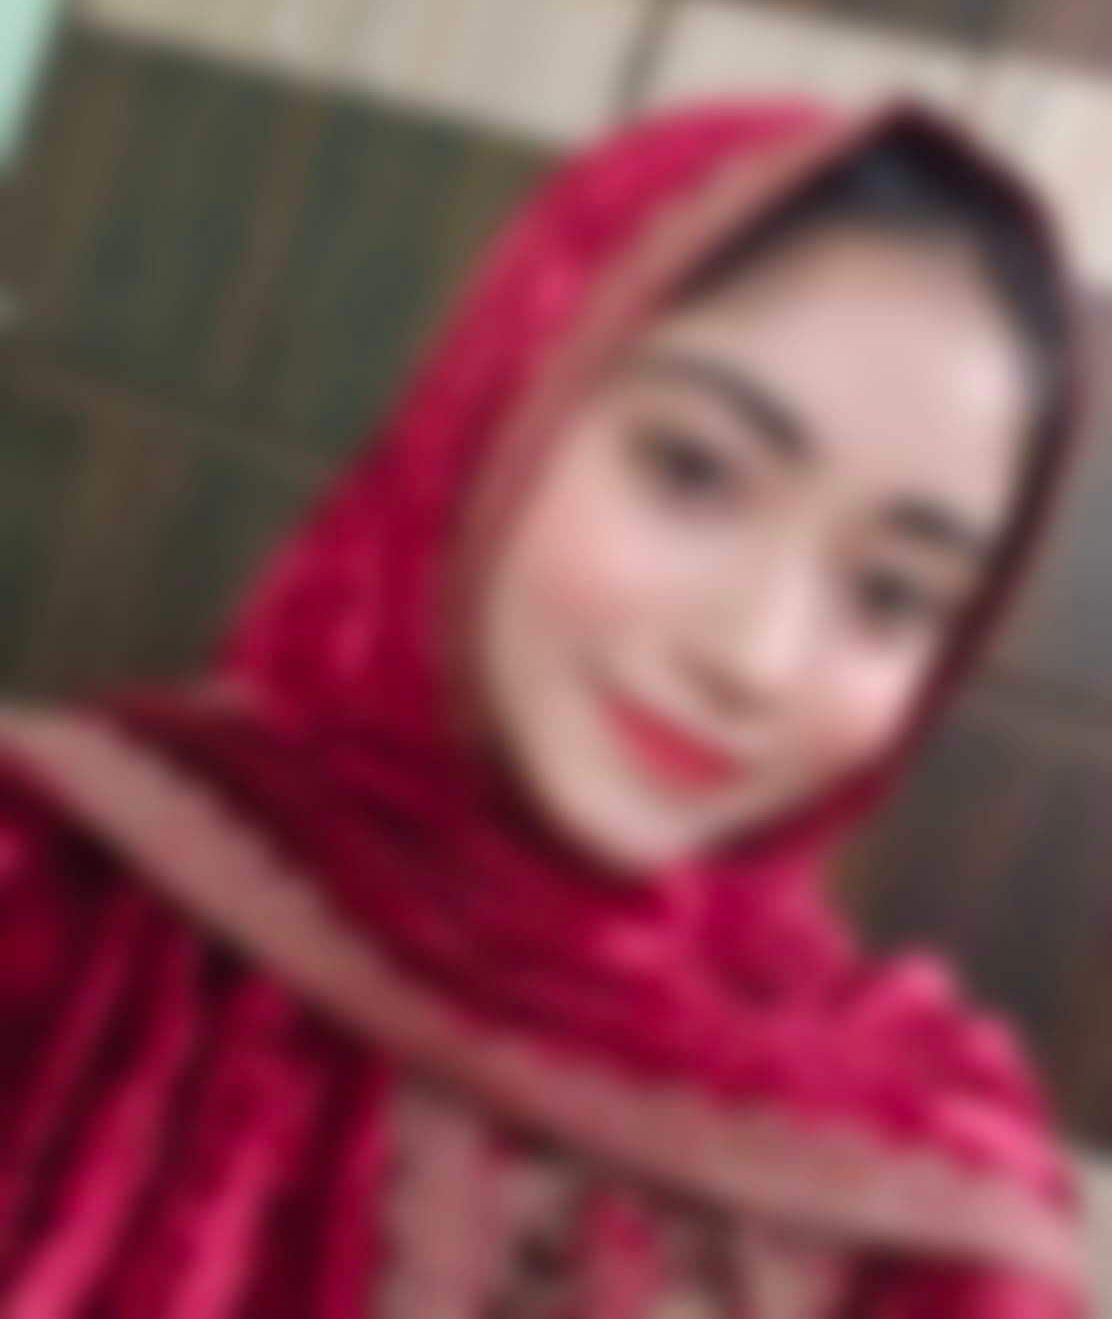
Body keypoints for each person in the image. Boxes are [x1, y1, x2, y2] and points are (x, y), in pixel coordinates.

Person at [0, 99, 1086, 1316]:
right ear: (500, 403)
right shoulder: (58, 888)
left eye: (889, 593)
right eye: (690, 468)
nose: (755, 658)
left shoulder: (920, 1166)